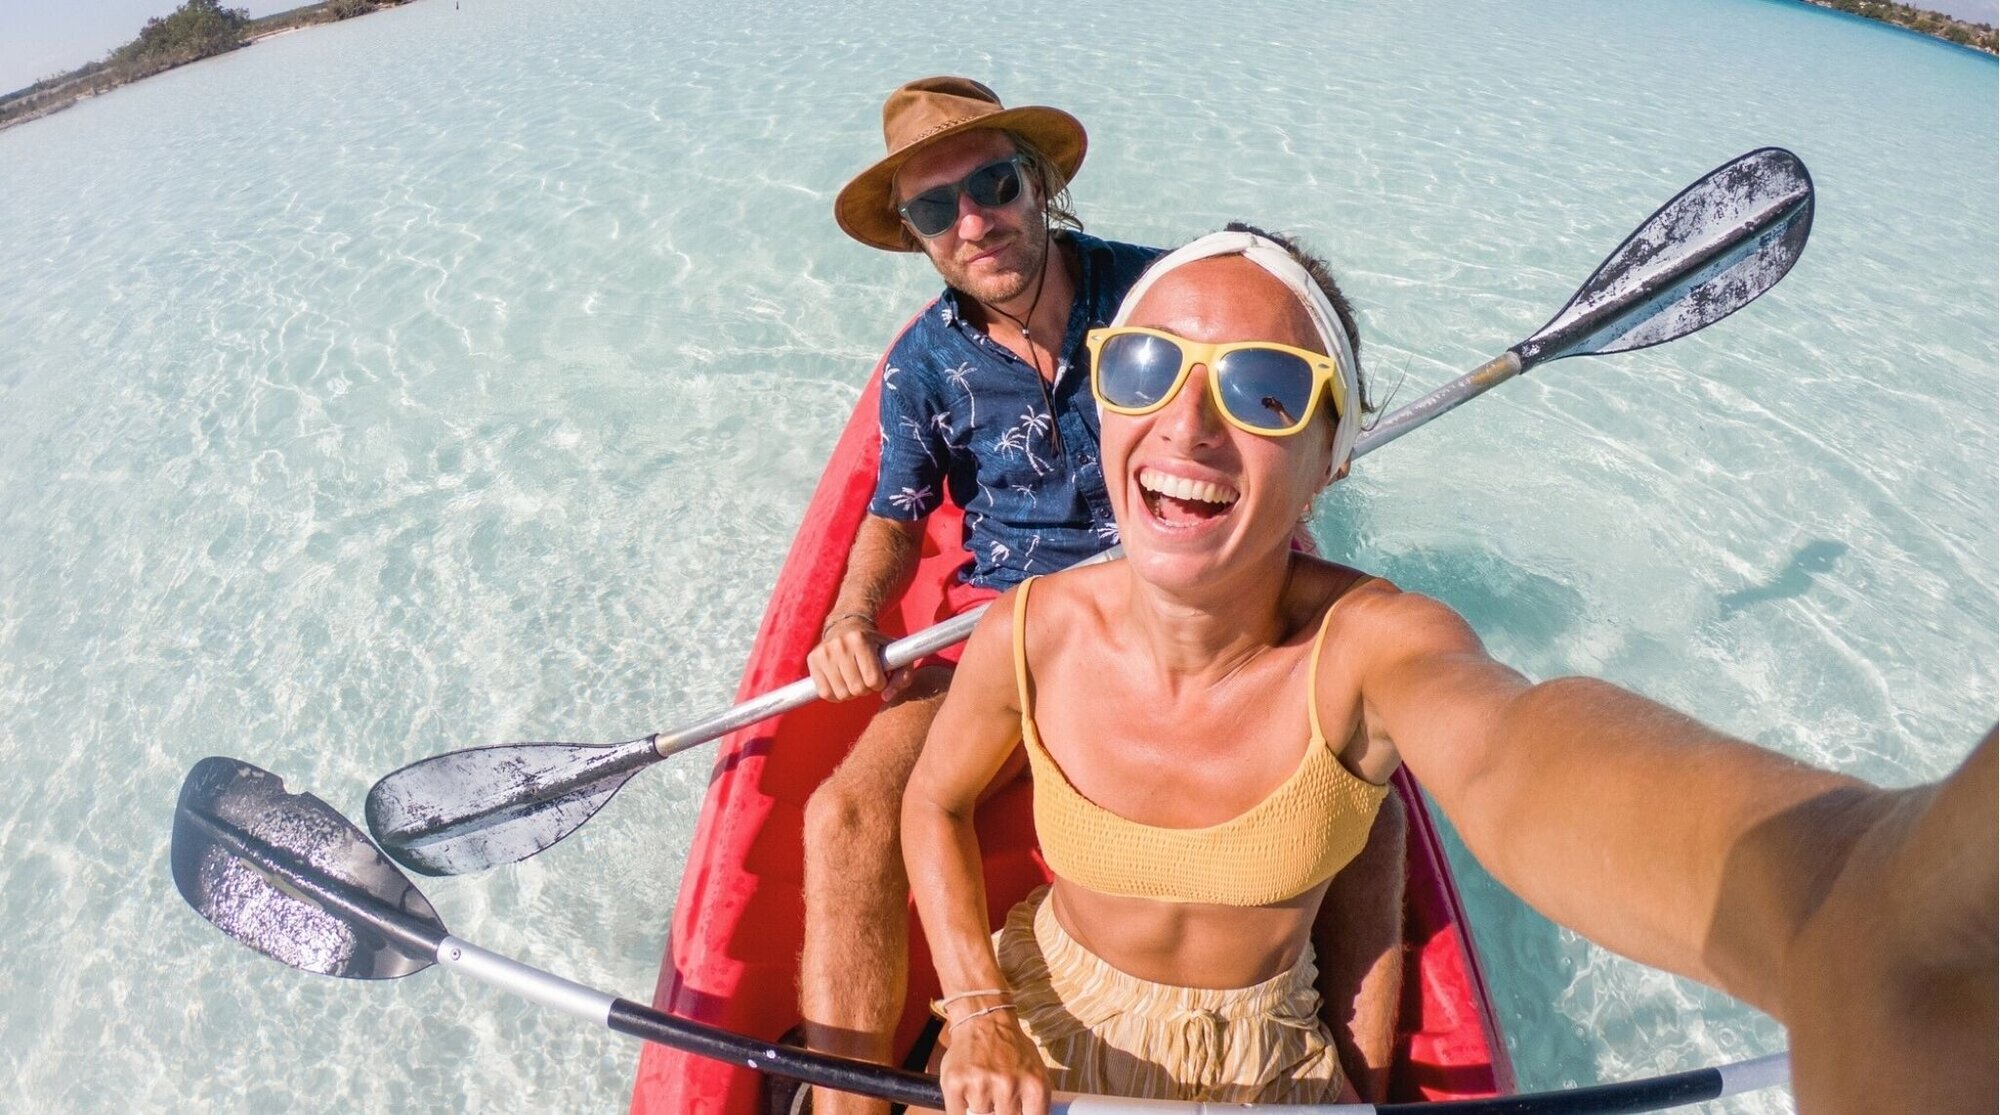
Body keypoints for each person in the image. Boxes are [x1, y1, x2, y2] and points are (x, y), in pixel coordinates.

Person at [902, 226, 1998, 1113]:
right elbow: (932, 800)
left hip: (1259, 1075)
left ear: (1328, 456)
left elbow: (1519, 756)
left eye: (1266, 390)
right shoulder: (1029, 628)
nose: (1185, 424)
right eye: (1144, 366)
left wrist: (1826, 892)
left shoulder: (1371, 648)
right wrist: (973, 1002)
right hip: (1034, 1030)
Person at [798, 79, 1408, 1113]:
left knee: (1364, 800)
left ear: (1039, 187)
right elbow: (897, 512)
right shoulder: (921, 364)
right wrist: (853, 614)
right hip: (1002, 626)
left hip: (1186, 601)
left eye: (991, 185)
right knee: (846, 810)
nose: (972, 222)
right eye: (934, 208)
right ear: (915, 236)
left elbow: (1253, 425)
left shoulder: (1155, 306)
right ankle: (844, 1097)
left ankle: (1355, 1067)